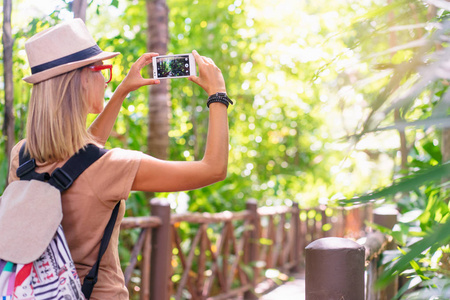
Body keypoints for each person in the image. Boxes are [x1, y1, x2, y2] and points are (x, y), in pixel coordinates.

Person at [7, 18, 231, 299]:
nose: (105, 78)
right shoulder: (113, 167)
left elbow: (80, 159)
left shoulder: (23, 155)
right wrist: (218, 95)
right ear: (83, 79)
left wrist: (122, 90)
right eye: (102, 70)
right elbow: (213, 169)